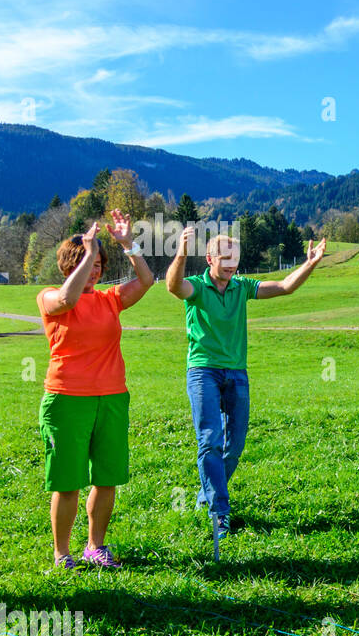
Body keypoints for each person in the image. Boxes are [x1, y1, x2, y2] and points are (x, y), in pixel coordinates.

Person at [165, 228, 328, 543]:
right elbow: (174, 286)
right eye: (225, 259)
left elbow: (283, 287)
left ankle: (206, 495)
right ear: (210, 258)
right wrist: (181, 254)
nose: (231, 265)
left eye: (235, 259)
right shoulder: (197, 288)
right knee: (210, 441)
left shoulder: (241, 287)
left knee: (234, 447)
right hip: (203, 372)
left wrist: (310, 264)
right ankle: (219, 512)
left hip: (237, 372)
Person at [36, 211, 154, 568]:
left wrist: (129, 244)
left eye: (101, 263)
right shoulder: (49, 297)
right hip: (66, 400)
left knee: (106, 479)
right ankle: (62, 553)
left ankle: (95, 546)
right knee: (68, 482)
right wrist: (87, 257)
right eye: (91, 262)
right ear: (69, 265)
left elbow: (147, 280)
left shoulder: (109, 300)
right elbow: (69, 301)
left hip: (112, 398)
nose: (97, 269)